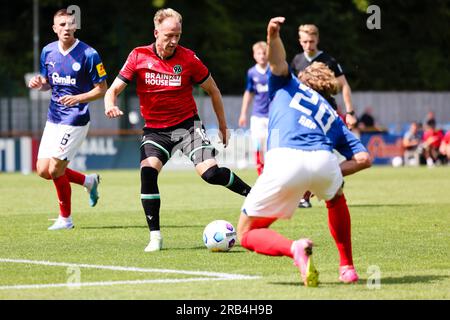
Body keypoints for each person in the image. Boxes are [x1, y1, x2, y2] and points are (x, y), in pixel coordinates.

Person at [104, 8, 251, 252]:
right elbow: (113, 90)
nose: (173, 41)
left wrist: (223, 126)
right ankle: (155, 237)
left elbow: (213, 90)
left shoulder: (189, 59)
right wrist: (110, 105)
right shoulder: (138, 56)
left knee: (211, 175)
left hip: (187, 127)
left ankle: (253, 195)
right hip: (155, 130)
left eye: (178, 35)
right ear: (156, 32)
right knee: (148, 172)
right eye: (169, 35)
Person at [237, 17, 369, 287]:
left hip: (285, 160)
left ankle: (294, 248)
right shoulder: (332, 114)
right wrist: (332, 173)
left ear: (303, 78)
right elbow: (364, 159)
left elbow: (277, 62)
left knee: (247, 232)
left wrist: (273, 35)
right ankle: (347, 268)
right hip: (323, 162)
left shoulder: (288, 84)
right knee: (336, 198)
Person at [28, 9, 107, 230]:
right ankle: (88, 181)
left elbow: (102, 89)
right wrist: (39, 83)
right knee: (43, 170)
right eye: (61, 24)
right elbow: (48, 83)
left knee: (55, 170)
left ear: (76, 27)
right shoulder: (48, 51)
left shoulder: (89, 54)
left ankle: (66, 219)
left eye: (70, 24)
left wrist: (78, 98)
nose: (66, 28)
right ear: (54, 28)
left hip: (76, 118)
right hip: (53, 117)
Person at [290, 24, 357, 129]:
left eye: (311, 41)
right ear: (300, 41)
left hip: (326, 112)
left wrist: (350, 113)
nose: (308, 45)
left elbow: (344, 85)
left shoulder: (329, 61)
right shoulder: (296, 61)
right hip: (304, 112)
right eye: (305, 42)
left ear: (317, 40)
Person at [238, 41, 270, 175]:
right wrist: (243, 113)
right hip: (257, 115)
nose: (262, 56)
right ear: (254, 55)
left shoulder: (274, 71)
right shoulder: (252, 72)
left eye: (264, 53)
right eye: (259, 53)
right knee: (257, 144)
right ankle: (260, 173)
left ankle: (271, 172)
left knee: (271, 147)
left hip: (273, 115)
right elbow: (249, 92)